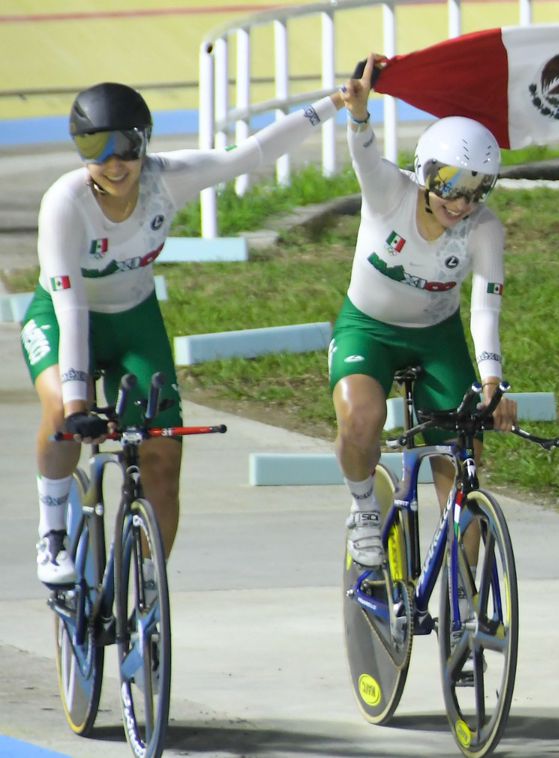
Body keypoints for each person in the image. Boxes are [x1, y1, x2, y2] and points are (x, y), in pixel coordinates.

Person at [23, 81, 346, 585]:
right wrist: (76, 408)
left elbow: (252, 153)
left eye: (124, 147)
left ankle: (149, 590)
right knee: (63, 411)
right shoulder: (63, 203)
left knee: (162, 463)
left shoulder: (167, 179)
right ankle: (52, 532)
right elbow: (72, 310)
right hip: (63, 316)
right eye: (93, 148)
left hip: (135, 321)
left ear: (145, 142)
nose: (112, 163)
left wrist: (336, 103)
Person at [332, 55, 516, 569]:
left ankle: (464, 594)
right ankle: (365, 505)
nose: (461, 201)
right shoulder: (389, 191)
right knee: (362, 417)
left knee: (464, 465)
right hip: (367, 329)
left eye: (477, 187)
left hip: (437, 337)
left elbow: (486, 309)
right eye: (451, 183)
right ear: (424, 172)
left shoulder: (485, 230)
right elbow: (363, 153)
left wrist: (492, 379)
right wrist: (359, 114)